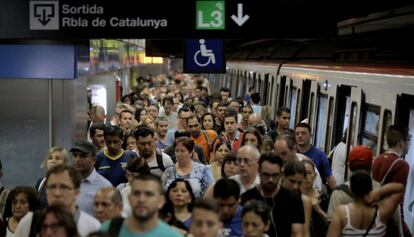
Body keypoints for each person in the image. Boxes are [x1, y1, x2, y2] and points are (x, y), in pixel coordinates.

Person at [15, 165, 101, 237]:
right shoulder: (30, 222)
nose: (57, 193)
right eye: (52, 187)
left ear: (76, 192)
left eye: (63, 187)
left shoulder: (92, 227)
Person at [241, 152, 305, 237]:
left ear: (281, 175)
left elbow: (297, 233)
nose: (270, 180)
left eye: (274, 175)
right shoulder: (247, 197)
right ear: (259, 172)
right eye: (266, 175)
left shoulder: (293, 199)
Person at [100, 174, 183, 237]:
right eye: (136, 193)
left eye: (149, 194)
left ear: (161, 201)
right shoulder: (108, 229)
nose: (141, 199)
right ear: (129, 198)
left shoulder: (172, 235)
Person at [327, 170, 404, 237]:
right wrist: (378, 193)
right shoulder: (382, 213)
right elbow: (400, 188)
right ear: (371, 188)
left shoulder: (342, 213)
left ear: (350, 190)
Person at [372, 125, 411, 236]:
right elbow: (396, 203)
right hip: (389, 223)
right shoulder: (402, 165)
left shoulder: (378, 159)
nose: (410, 143)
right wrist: (401, 230)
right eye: (408, 140)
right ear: (401, 142)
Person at [70, 141, 112, 216]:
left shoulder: (104, 186)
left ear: (94, 159)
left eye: (82, 156)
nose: (77, 159)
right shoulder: (67, 181)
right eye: (75, 155)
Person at [295, 123, 336, 190]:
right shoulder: (290, 152)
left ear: (310, 135)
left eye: (303, 133)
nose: (300, 136)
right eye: (297, 134)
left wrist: (336, 194)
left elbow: (329, 177)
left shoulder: (320, 155)